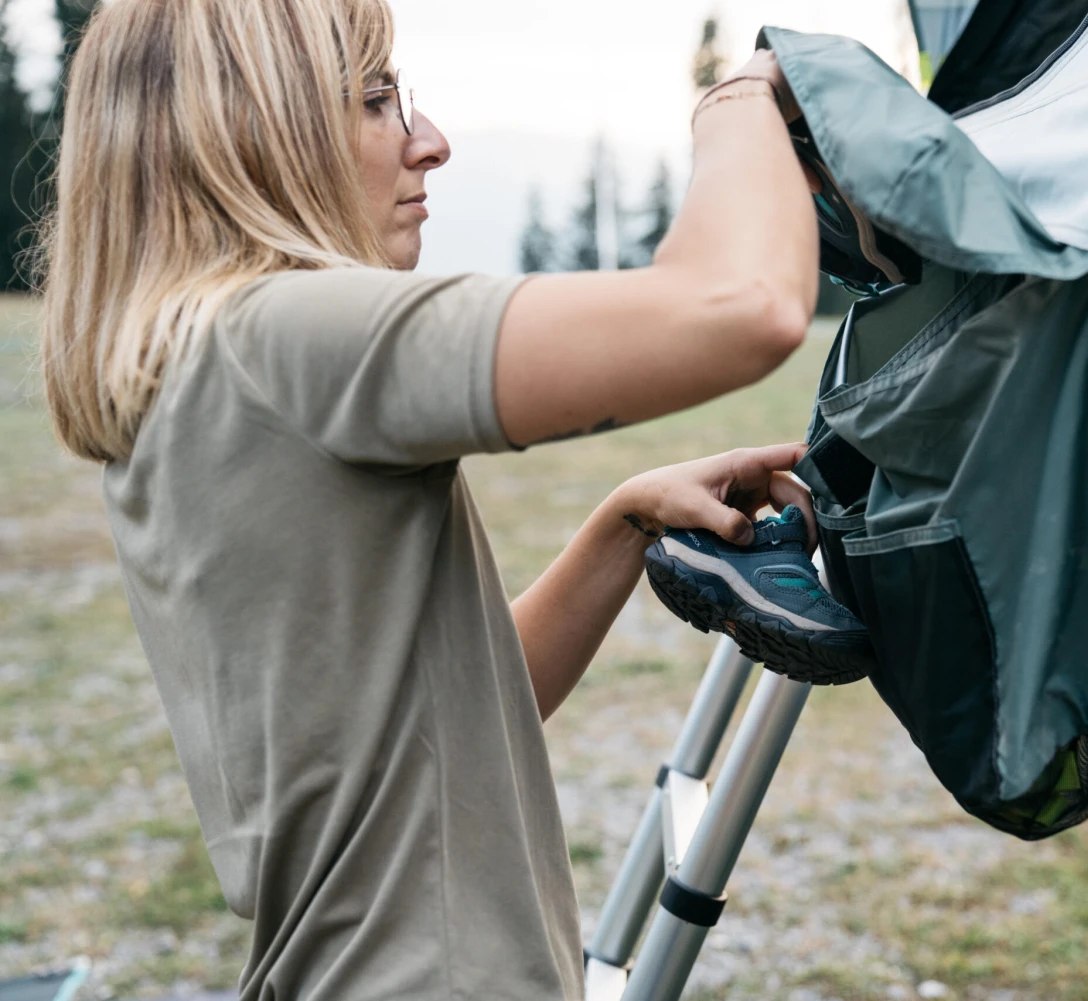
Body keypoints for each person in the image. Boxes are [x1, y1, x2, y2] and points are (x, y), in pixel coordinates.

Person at [36, 0, 818, 998]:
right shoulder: (292, 335)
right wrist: (740, 98)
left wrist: (624, 524)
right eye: (376, 100)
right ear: (257, 138)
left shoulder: (188, 374)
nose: (431, 142)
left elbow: (449, 721)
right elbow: (742, 305)